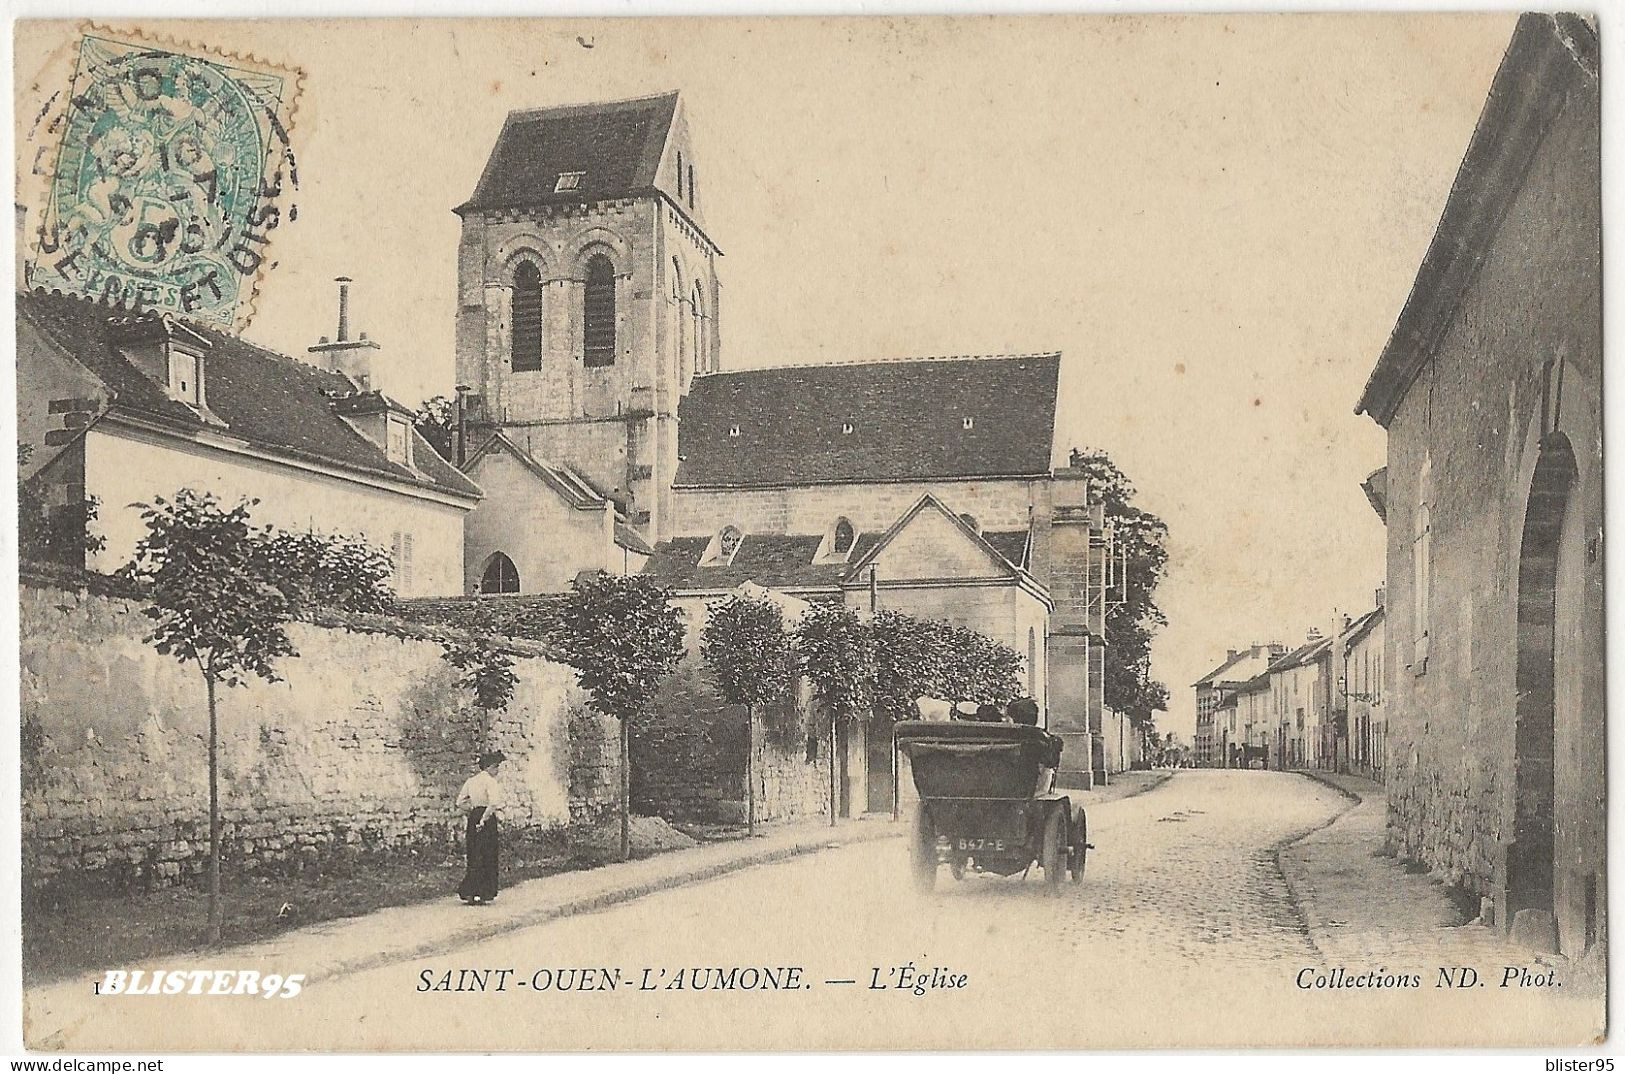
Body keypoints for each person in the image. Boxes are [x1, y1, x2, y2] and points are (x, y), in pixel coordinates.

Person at [455, 750, 507, 905]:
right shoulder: (490, 782)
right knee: (487, 854)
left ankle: (471, 892)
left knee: (474, 853)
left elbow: (460, 802)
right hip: (487, 818)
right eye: (496, 767)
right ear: (490, 767)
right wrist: (484, 819)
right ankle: (484, 892)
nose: (497, 771)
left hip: (474, 816)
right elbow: (493, 804)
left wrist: (473, 812)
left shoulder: (471, 781)